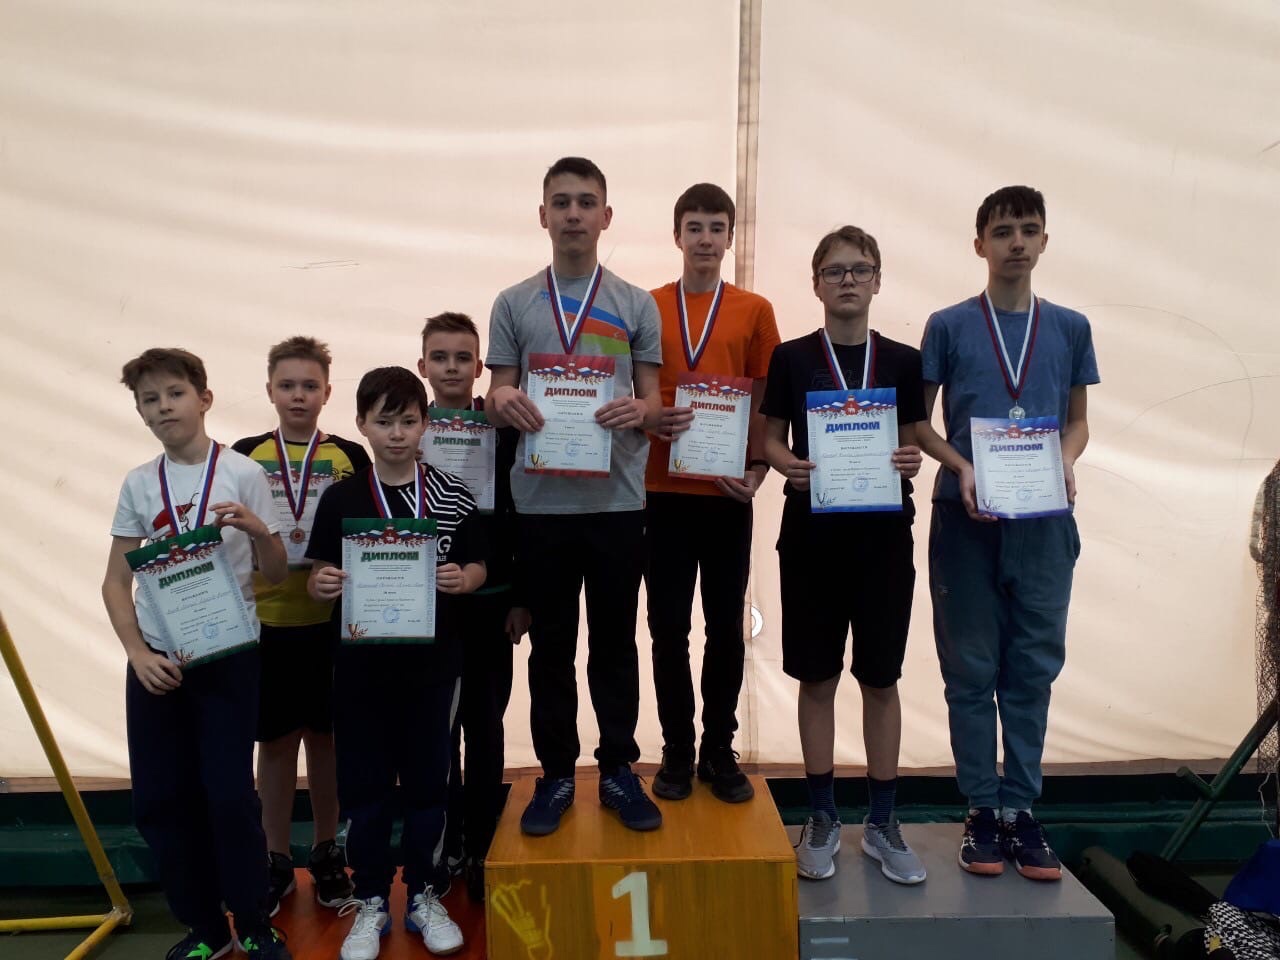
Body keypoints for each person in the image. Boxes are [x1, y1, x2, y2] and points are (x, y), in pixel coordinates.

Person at [916, 185, 1099, 881]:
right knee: (970, 670)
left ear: (1045, 240)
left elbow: (1077, 421)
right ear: (979, 245)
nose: (1015, 242)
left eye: (1027, 229)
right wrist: (960, 465)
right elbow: (918, 423)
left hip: (1043, 521)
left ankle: (1021, 809)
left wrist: (1065, 460)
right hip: (965, 519)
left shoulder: (1071, 328)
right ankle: (981, 811)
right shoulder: (948, 326)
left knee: (1032, 668)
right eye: (1001, 231)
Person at [485, 156, 663, 835]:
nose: (573, 214)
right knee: (552, 650)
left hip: (617, 505)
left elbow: (653, 402)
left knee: (615, 645)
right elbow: (498, 394)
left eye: (586, 202)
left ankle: (618, 770)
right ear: (543, 215)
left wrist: (640, 411)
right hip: (541, 508)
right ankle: (557, 775)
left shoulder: (635, 303)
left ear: (606, 216)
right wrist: (503, 398)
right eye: (561, 202)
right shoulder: (513, 303)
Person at [101, 347, 292, 959]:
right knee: (161, 799)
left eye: (175, 393)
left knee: (229, 797)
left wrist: (259, 531)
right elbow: (115, 582)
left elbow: (277, 573)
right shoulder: (138, 483)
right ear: (140, 412)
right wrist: (137, 653)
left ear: (204, 399)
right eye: (149, 400)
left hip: (228, 657)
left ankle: (255, 922)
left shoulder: (242, 473)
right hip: (159, 662)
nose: (164, 407)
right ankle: (206, 928)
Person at [762, 227, 927, 885]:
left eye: (860, 269)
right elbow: (770, 440)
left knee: (881, 679)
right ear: (816, 284)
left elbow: (911, 442)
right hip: (812, 537)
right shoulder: (791, 358)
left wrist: (911, 460)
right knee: (817, 677)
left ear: (878, 280)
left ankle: (882, 822)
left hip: (883, 540)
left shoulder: (904, 361)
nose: (848, 280)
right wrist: (789, 465)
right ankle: (823, 815)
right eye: (835, 271)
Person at [307, 367, 486, 958]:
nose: (397, 433)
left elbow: (479, 562)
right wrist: (321, 584)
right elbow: (318, 575)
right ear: (361, 424)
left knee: (430, 782)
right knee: (365, 787)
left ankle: (425, 893)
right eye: (384, 422)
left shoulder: (451, 494)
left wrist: (466, 578)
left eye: (408, 421)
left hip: (433, 669)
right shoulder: (341, 498)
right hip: (360, 671)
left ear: (425, 424)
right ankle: (372, 898)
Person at [644, 182, 780, 804]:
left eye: (715, 227)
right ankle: (676, 751)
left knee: (726, 627)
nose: (704, 239)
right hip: (660, 490)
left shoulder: (755, 310)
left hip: (727, 493)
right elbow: (634, 391)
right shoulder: (647, 306)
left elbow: (764, 400)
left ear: (730, 237)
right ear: (677, 235)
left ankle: (718, 752)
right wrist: (652, 419)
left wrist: (758, 467)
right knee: (667, 628)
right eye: (694, 227)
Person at [232, 336, 368, 914]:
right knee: (276, 742)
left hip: (331, 621)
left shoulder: (351, 456)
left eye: (310, 386)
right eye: (287, 385)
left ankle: (328, 852)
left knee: (328, 739)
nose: (298, 395)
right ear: (269, 390)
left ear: (327, 393)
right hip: (266, 620)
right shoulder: (242, 457)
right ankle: (276, 857)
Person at [416, 311, 530, 901]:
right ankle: (446, 845)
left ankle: (484, 845)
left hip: (491, 604)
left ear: (481, 366)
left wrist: (520, 597)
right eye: (440, 357)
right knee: (437, 733)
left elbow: (522, 517)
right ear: (423, 366)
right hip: (427, 609)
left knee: (484, 729)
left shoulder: (502, 430)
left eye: (463, 358)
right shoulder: (408, 429)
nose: (452, 368)